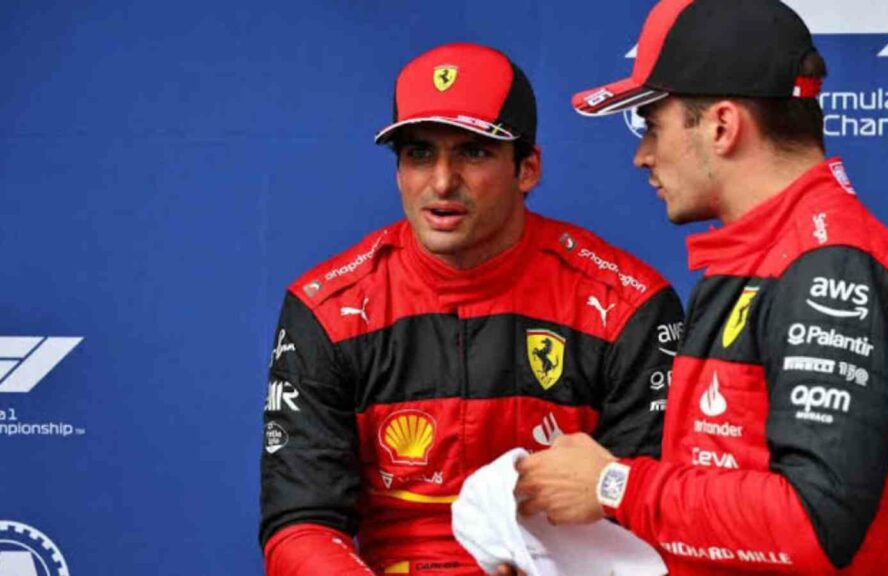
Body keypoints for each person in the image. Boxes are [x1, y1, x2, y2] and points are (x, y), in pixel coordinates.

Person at [513, 0, 888, 574]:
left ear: (721, 125)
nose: (641, 155)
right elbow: (713, 512)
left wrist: (614, 484)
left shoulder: (830, 267)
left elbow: (813, 527)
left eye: (652, 126)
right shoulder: (746, 261)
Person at [259, 42, 684, 575]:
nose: (441, 182)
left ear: (527, 169)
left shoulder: (628, 306)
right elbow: (301, 524)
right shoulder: (326, 309)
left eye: (474, 152)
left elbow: (652, 518)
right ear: (397, 171)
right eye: (419, 154)